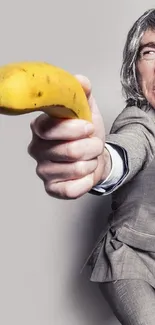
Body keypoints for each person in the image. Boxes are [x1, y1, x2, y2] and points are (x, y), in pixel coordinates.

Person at [28, 8, 155, 325]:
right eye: (150, 52)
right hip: (133, 260)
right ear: (134, 67)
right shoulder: (139, 120)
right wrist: (98, 164)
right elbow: (126, 150)